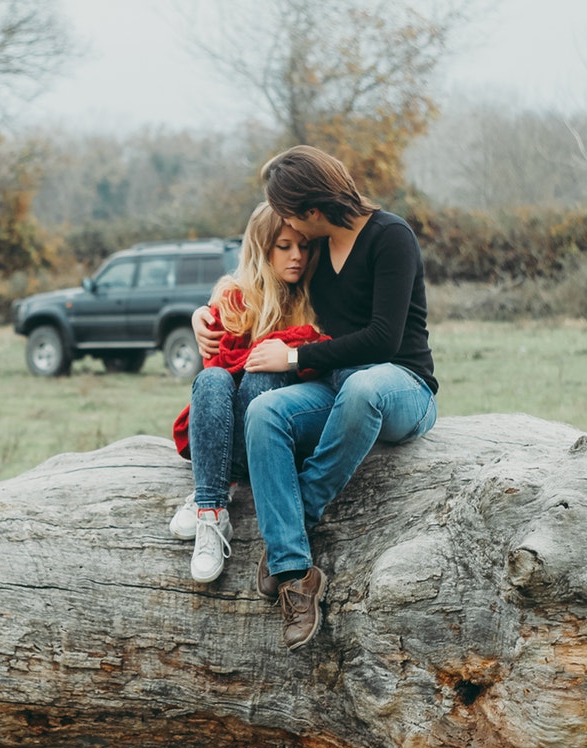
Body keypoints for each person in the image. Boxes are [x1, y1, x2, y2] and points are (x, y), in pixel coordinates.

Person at [198, 145, 438, 651]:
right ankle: (294, 573)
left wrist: (291, 359)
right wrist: (203, 314)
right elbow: (256, 282)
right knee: (264, 411)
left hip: (399, 385)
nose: (288, 228)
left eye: (287, 211)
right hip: (334, 385)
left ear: (310, 208)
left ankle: (297, 518)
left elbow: (384, 339)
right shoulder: (315, 251)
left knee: (362, 386)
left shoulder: (390, 237)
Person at [169, 202, 327, 584]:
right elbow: (215, 372)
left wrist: (286, 354)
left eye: (304, 247)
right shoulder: (234, 298)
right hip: (224, 425)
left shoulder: (314, 297)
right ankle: (212, 513)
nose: (297, 257)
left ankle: (211, 490)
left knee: (259, 378)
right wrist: (201, 316)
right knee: (211, 381)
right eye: (285, 246)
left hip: (274, 434)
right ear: (261, 248)